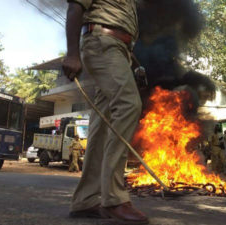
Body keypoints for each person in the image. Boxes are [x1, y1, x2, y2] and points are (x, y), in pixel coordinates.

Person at [62, 1, 148, 224]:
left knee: (102, 125)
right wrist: (72, 54)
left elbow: (122, 29)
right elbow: (75, 8)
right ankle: (114, 198)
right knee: (129, 104)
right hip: (103, 45)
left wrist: (135, 64)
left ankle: (86, 200)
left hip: (118, 50)